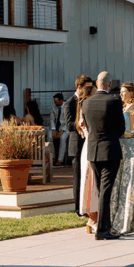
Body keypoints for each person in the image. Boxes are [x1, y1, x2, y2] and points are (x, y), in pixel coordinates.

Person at [80, 71, 126, 240]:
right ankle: (102, 229)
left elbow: (88, 127)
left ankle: (106, 225)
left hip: (93, 150)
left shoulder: (86, 102)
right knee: (106, 191)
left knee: (101, 190)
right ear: (110, 84)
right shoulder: (114, 101)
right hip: (109, 150)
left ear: (96, 83)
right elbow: (121, 129)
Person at [64, 74, 93, 214]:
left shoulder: (89, 100)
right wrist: (82, 124)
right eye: (88, 87)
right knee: (78, 177)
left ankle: (88, 206)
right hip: (77, 145)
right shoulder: (70, 102)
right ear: (80, 87)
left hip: (89, 143)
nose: (90, 90)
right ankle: (78, 209)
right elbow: (69, 125)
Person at [75, 82, 99, 233]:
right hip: (90, 146)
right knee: (91, 182)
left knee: (94, 182)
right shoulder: (85, 109)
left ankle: (95, 217)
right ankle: (92, 217)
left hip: (90, 145)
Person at [50, 93, 65, 165]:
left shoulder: (66, 107)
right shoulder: (53, 107)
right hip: (56, 127)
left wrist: (62, 130)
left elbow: (68, 120)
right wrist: (53, 129)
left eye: (56, 101)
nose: (54, 103)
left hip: (65, 128)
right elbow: (52, 119)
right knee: (50, 136)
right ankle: (52, 157)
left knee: (63, 138)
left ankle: (60, 159)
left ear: (61, 100)